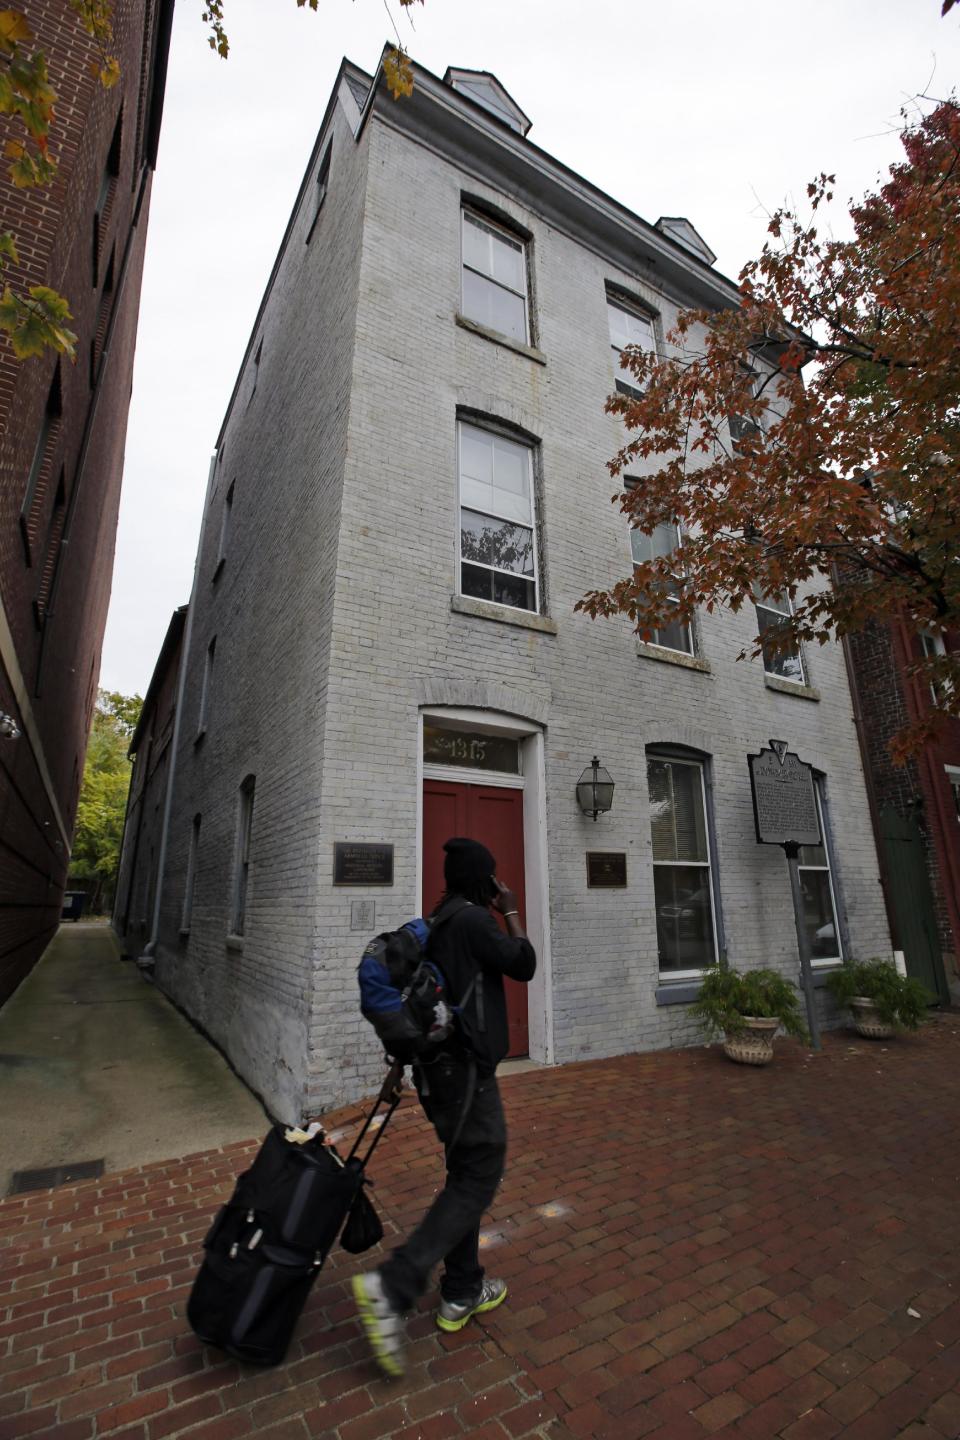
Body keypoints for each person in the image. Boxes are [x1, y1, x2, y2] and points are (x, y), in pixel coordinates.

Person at [352, 836, 536, 1377]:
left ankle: (461, 1289)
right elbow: (523, 962)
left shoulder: (436, 922)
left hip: (438, 1074)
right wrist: (513, 911)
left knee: (465, 1174)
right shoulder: (478, 921)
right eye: (493, 879)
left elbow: (427, 995)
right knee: (480, 1173)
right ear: (484, 880)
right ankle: (394, 1284)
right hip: (465, 1076)